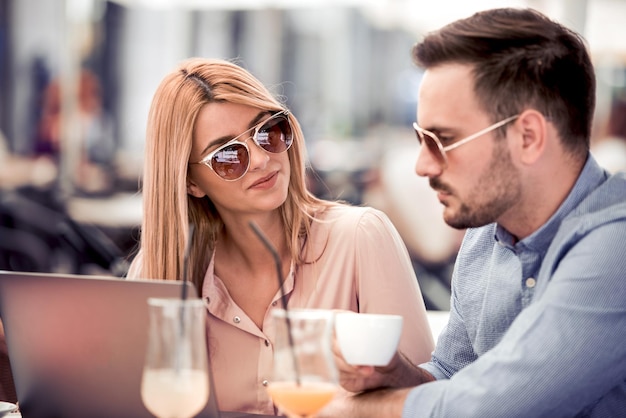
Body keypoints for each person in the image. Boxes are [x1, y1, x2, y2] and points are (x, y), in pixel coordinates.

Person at [328, 7, 626, 418]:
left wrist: (352, 409)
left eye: (442, 140)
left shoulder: (617, 245)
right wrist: (396, 376)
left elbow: (494, 406)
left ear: (528, 137)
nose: (423, 166)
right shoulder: (486, 232)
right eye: (421, 138)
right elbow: (455, 375)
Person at [126, 57, 434, 414]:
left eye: (268, 132)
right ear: (191, 181)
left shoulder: (360, 237)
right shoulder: (160, 272)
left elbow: (428, 401)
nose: (260, 159)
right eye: (228, 154)